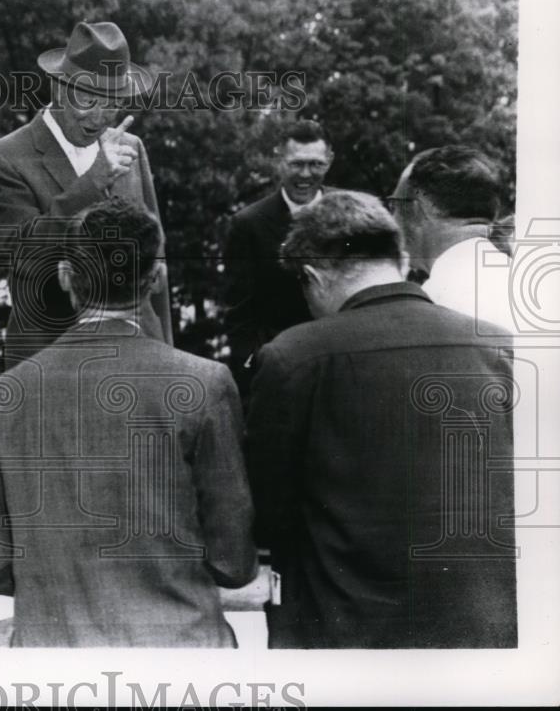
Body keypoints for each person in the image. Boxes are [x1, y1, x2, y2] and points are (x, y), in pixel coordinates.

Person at [0, 198, 257, 647]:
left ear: (66, 276)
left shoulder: (4, 395)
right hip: (180, 652)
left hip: (54, 657)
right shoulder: (204, 383)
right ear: (155, 277)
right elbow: (233, 561)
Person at [246, 191, 517, 648]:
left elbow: (270, 515)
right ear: (399, 257)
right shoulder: (497, 346)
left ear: (311, 277)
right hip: (478, 628)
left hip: (342, 632)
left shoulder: (291, 356)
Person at [0, 21, 173, 368]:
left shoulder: (131, 147)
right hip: (51, 362)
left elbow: (154, 263)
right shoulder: (5, 158)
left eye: (113, 101)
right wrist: (91, 183)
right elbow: (22, 256)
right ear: (58, 88)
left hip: (136, 358)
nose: (100, 116)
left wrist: (166, 353)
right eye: (87, 99)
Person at [221, 119, 335, 403]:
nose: (305, 175)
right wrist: (255, 377)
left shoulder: (354, 210)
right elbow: (240, 316)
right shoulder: (248, 224)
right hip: (281, 376)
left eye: (316, 164)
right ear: (279, 161)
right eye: (296, 164)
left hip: (342, 368)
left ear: (329, 161)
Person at [389, 145, 514, 331]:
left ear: (417, 210)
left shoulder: (434, 305)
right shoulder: (526, 282)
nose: (393, 219)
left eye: (395, 206)